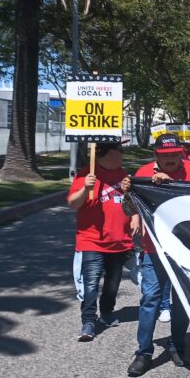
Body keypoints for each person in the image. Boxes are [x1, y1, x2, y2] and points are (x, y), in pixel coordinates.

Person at [122, 134, 190, 376]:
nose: (171, 159)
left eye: (175, 154)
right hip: (153, 247)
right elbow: (129, 208)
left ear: (182, 153)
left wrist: (168, 184)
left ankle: (177, 344)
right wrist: (127, 192)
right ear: (156, 156)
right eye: (165, 155)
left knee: (181, 300)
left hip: (185, 248)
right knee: (150, 298)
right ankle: (144, 352)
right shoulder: (144, 171)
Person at [67, 141, 132, 342]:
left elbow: (132, 205)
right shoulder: (87, 174)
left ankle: (106, 312)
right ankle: (88, 321)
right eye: (118, 152)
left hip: (119, 241)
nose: (121, 155)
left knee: (112, 284)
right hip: (92, 241)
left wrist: (129, 192)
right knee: (91, 284)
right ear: (107, 154)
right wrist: (86, 188)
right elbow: (73, 203)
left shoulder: (124, 175)